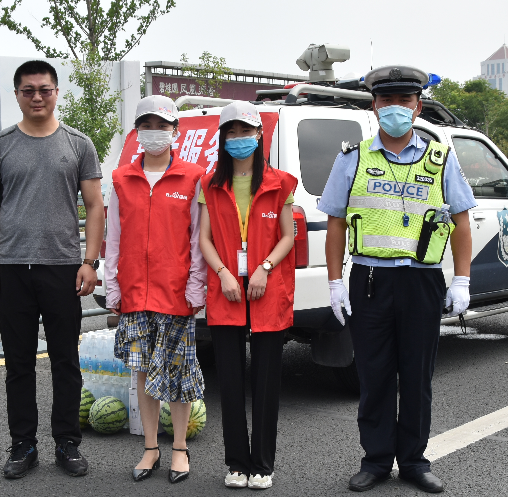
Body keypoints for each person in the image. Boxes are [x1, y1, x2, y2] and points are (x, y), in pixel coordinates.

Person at [317, 66, 475, 494]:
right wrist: (334, 282)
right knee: (375, 376)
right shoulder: (353, 158)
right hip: (370, 280)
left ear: (417, 107)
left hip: (422, 282)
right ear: (374, 107)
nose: (395, 109)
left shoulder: (441, 157)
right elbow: (335, 224)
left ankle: (414, 462)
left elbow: (461, 221)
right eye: (387, 101)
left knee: (417, 377)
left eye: (404, 101)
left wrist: (461, 279)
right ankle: (375, 460)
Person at [0, 59, 104, 480]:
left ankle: (67, 443)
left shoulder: (78, 144)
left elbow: (95, 206)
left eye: (44, 89)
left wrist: (89, 261)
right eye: (28, 90)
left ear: (56, 92)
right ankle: (23, 445)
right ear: (16, 94)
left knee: (66, 360)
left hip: (63, 267)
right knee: (18, 364)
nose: (36, 97)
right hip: (12, 267)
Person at [104, 95, 206, 484]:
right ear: (136, 131)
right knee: (143, 371)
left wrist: (196, 285)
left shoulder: (193, 177)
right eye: (147, 125)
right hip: (134, 291)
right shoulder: (121, 178)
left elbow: (198, 239)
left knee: (178, 373)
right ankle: (150, 447)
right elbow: (114, 237)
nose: (154, 132)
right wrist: (112, 285)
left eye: (162, 125)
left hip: (176, 291)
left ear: (175, 130)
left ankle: (179, 448)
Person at [197, 101, 297, 490]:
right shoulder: (210, 184)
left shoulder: (280, 183)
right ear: (223, 138)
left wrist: (264, 268)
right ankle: (237, 462)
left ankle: (263, 465)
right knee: (230, 381)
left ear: (259, 135)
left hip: (265, 288)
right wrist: (223, 273)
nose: (239, 138)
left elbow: (287, 236)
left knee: (266, 382)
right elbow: (204, 238)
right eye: (231, 132)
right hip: (227, 290)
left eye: (246, 131)